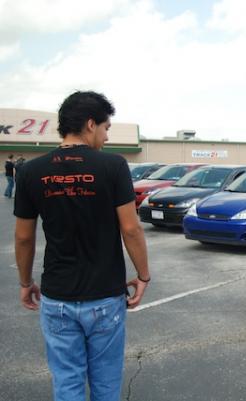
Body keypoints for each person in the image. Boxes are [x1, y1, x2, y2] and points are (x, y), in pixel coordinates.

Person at [14, 91, 150, 401]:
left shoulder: (31, 172)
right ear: (90, 124)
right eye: (106, 128)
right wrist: (143, 276)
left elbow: (23, 237)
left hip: (57, 296)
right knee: (105, 383)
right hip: (104, 296)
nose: (106, 136)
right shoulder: (113, 166)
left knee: (67, 382)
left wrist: (25, 283)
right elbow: (130, 228)